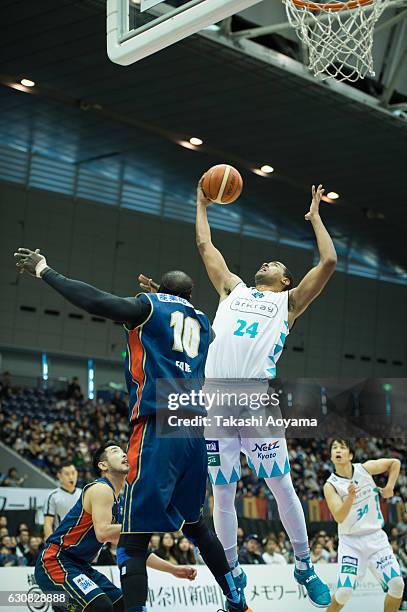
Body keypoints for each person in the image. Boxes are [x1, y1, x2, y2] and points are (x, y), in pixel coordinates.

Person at [15, 249, 251, 612]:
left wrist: (45, 271)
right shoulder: (204, 324)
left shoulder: (148, 308)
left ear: (159, 295)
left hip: (158, 425)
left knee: (132, 539)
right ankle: (237, 600)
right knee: (197, 526)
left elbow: (95, 300)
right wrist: (167, 299)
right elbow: (179, 319)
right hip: (193, 432)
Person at [193, 180, 334, 607]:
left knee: (281, 486)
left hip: (255, 399)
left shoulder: (288, 303)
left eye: (276, 263)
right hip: (215, 399)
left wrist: (315, 220)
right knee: (222, 491)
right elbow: (205, 245)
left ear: (285, 279)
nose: (268, 261)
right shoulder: (232, 289)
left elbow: (328, 260)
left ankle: (305, 565)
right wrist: (202, 203)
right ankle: (232, 575)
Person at [35, 441, 197, 612]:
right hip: (55, 561)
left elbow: (134, 549)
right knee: (100, 606)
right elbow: (103, 532)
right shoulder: (100, 489)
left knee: (121, 605)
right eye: (115, 451)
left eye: (123, 452)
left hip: (81, 566)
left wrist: (173, 569)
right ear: (103, 465)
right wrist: (143, 522)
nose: (124, 454)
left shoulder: (121, 503)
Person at [324, 439, 404, 612]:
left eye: (342, 447)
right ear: (331, 456)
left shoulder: (365, 469)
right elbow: (338, 516)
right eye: (334, 448)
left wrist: (390, 487)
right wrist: (350, 498)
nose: (338, 450)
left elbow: (394, 463)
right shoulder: (330, 485)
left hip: (376, 538)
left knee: (397, 585)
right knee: (344, 592)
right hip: (351, 542)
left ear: (350, 455)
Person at [44, 462, 82, 540]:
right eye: (67, 474)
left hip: (81, 540)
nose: (71, 477)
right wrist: (50, 543)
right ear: (59, 476)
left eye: (73, 473)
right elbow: (48, 524)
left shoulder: (84, 494)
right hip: (61, 540)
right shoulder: (53, 496)